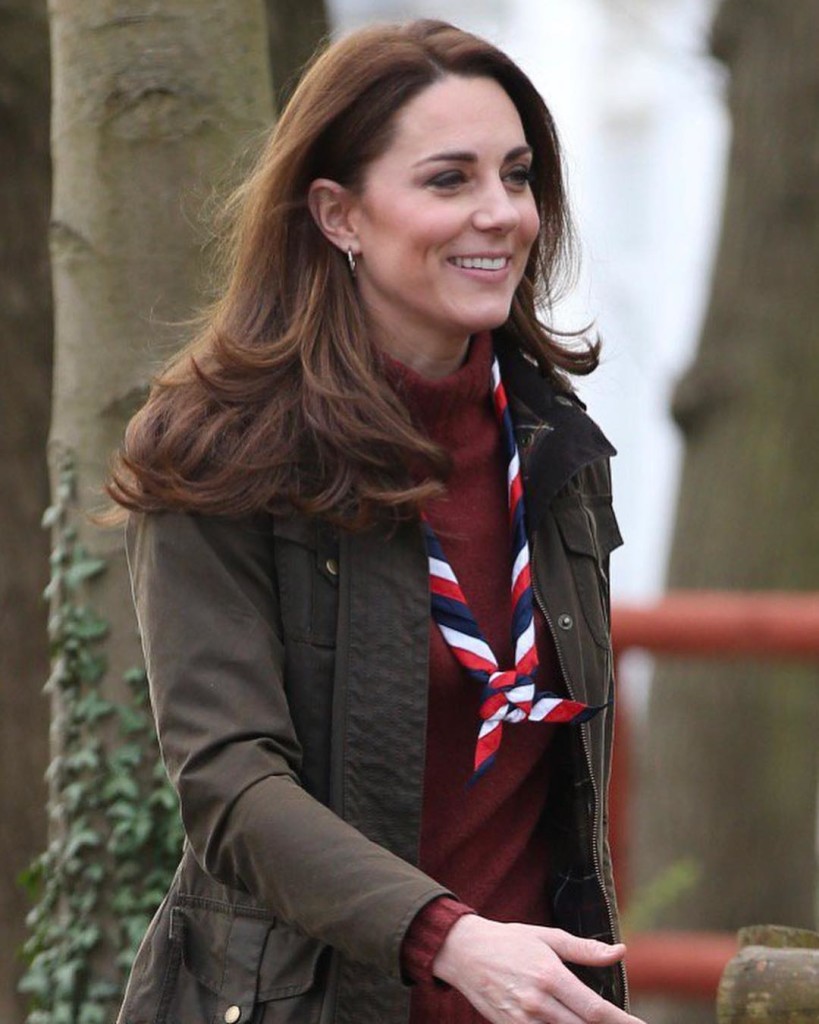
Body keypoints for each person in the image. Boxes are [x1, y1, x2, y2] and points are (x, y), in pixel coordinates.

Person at [109, 18, 644, 1024]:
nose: (501, 213)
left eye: (518, 175)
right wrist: (448, 937)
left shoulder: (557, 448)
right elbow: (229, 783)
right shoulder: (213, 451)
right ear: (338, 213)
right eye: (449, 180)